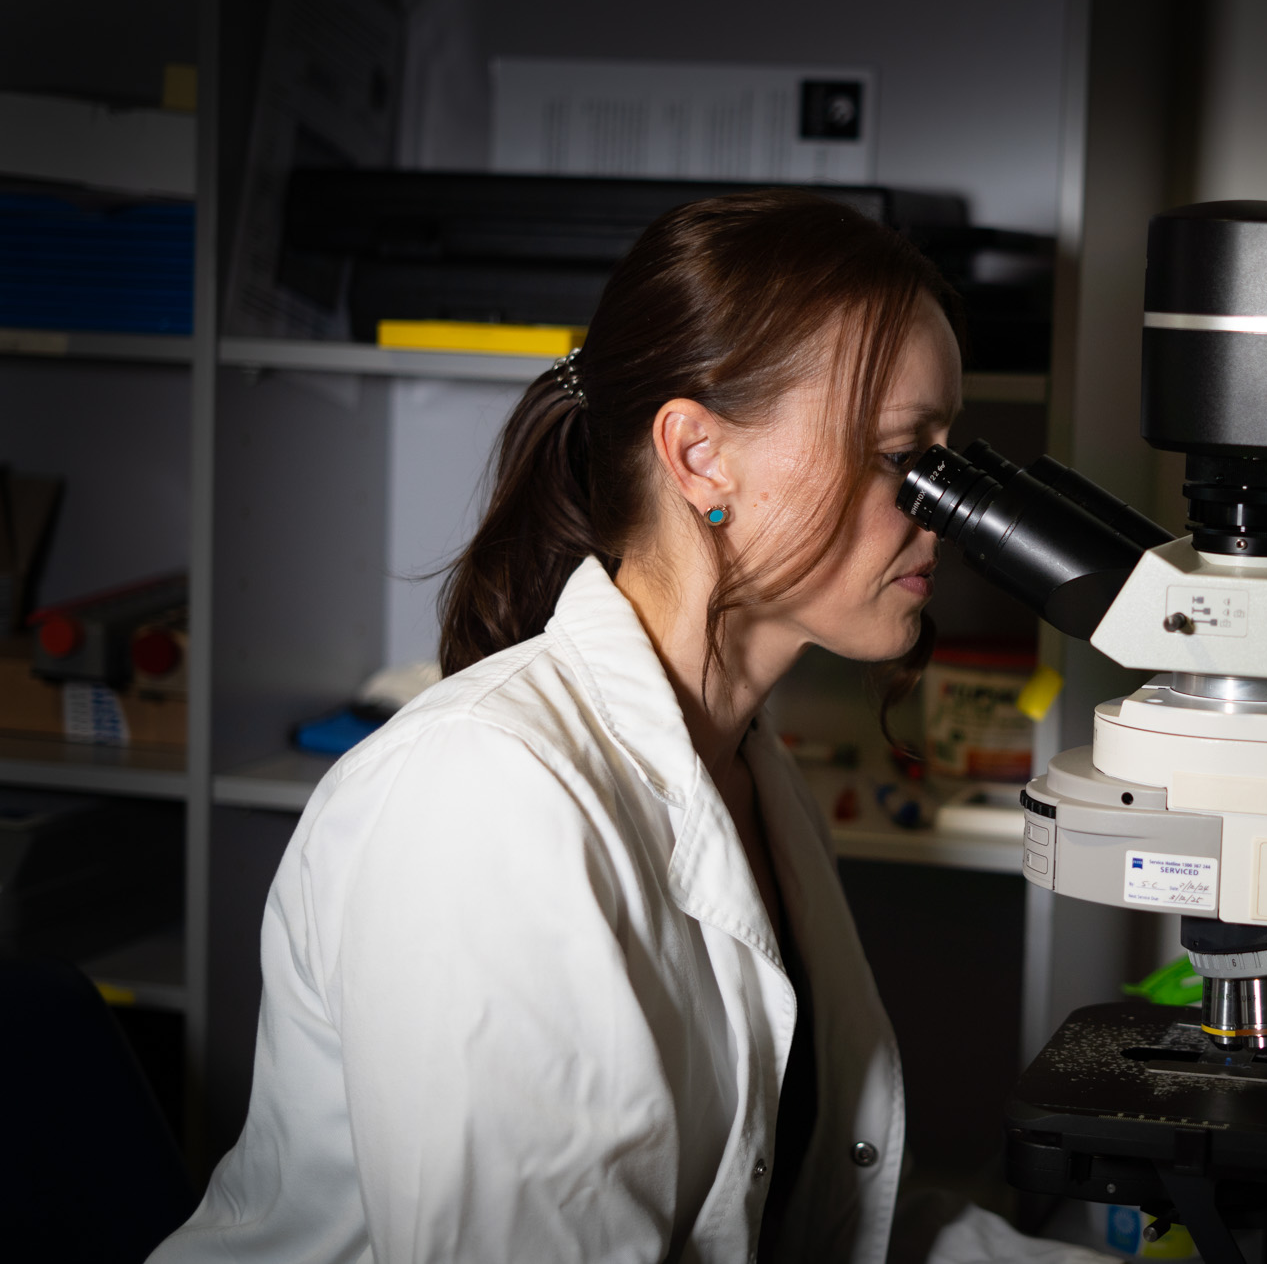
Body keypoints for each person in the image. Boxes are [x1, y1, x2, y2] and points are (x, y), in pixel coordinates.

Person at [151, 191, 1097, 1263]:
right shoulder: (484, 796)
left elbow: (817, 1215)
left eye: (946, 452)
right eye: (900, 455)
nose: (939, 504)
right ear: (699, 458)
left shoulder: (748, 776)